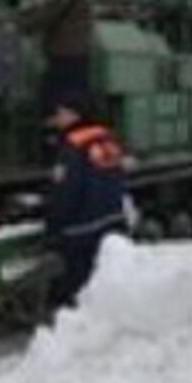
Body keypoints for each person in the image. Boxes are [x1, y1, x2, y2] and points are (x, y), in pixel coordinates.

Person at [44, 91, 128, 308]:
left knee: (77, 284)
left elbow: (65, 191)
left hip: (81, 229)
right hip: (111, 219)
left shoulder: (72, 146)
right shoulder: (106, 136)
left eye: (61, 113)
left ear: (74, 115)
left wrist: (53, 227)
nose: (57, 118)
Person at [18, 0, 93, 114]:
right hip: (69, 51)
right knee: (63, 103)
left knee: (58, 104)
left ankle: (61, 141)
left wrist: (23, 25)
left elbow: (53, 8)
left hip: (68, 52)